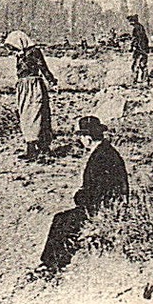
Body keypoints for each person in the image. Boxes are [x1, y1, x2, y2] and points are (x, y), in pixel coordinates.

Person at [36, 116, 128, 276]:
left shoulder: (101, 157)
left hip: (101, 209)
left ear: (87, 138)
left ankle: (51, 265)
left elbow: (96, 191)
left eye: (81, 136)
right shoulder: (106, 152)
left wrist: (80, 197)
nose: (80, 139)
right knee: (64, 219)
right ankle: (52, 263)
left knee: (61, 220)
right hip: (108, 205)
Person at [5, 30, 55, 160]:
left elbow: (43, 67)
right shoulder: (20, 55)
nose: (12, 51)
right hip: (23, 88)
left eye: (13, 47)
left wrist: (51, 80)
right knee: (26, 115)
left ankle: (40, 147)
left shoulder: (34, 52)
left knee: (36, 113)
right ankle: (32, 147)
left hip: (34, 87)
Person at [127, 13, 150, 86]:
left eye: (131, 21)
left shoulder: (136, 29)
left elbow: (136, 40)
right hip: (143, 48)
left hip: (139, 49)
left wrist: (132, 47)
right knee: (142, 64)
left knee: (136, 64)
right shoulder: (141, 27)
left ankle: (136, 80)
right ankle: (144, 80)